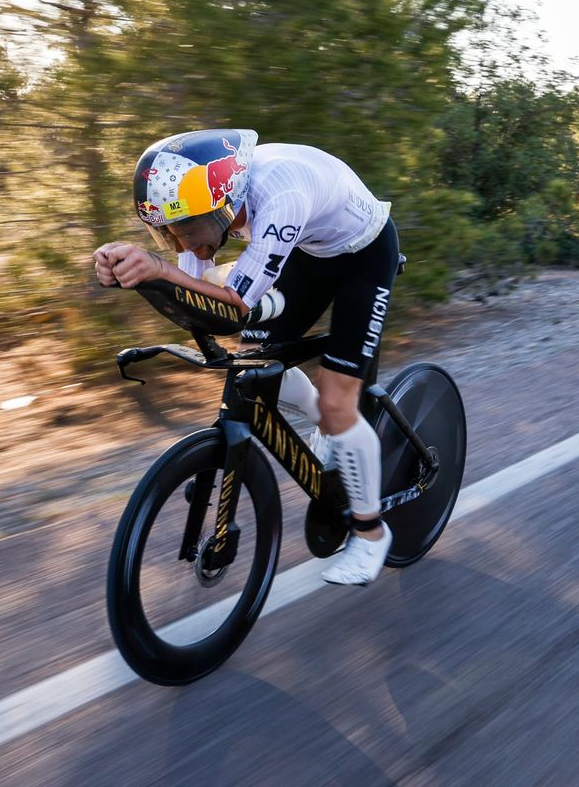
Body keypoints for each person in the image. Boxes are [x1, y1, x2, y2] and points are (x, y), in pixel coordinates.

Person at [93, 128, 401, 586]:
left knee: (340, 404)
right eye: (168, 235)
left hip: (364, 255)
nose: (185, 246)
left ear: (221, 203)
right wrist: (139, 275)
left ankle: (371, 532)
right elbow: (194, 292)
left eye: (190, 230)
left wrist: (157, 270)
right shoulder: (209, 206)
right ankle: (329, 427)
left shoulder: (282, 196)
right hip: (308, 252)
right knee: (254, 363)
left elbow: (233, 305)